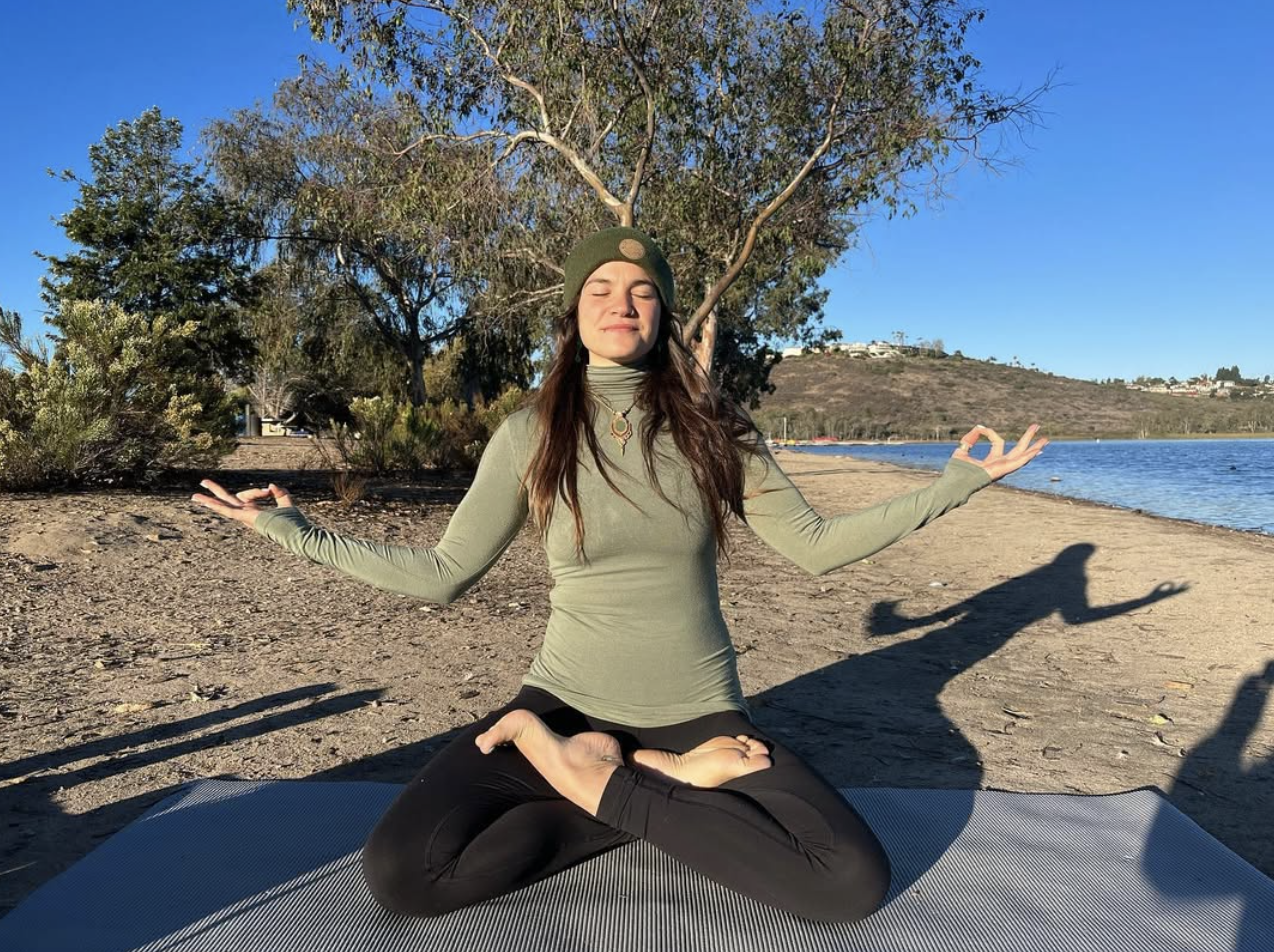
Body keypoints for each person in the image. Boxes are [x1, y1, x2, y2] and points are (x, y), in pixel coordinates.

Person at [192, 227, 1046, 924]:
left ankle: (617, 777)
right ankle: (638, 784)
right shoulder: (528, 434)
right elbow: (444, 573)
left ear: (664, 312)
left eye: (641, 291)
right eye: (599, 288)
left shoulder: (718, 429)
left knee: (847, 881)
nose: (620, 303)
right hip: (560, 704)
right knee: (404, 874)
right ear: (572, 311)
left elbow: (816, 545)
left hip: (697, 713)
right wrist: (291, 528)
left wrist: (955, 484)